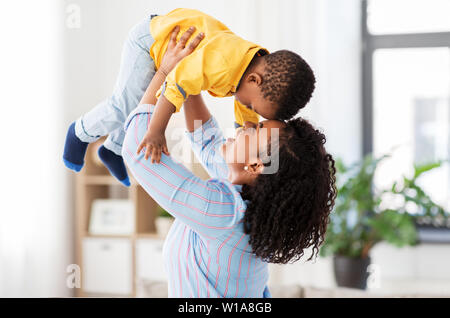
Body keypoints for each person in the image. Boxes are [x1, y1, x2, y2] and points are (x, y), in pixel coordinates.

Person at [120, 26, 336, 297]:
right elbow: (206, 140)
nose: (247, 125)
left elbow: (139, 153)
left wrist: (164, 72)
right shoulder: (245, 199)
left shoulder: (225, 213)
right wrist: (189, 79)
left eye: (255, 130)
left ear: (256, 166)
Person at [63, 8, 316, 186]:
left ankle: (113, 150)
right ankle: (80, 132)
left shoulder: (251, 68)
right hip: (150, 42)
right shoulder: (224, 63)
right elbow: (176, 83)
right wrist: (156, 131)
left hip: (167, 48)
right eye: (253, 108)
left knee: (136, 105)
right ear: (254, 80)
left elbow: (243, 112)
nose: (247, 108)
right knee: (123, 105)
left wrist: (245, 128)